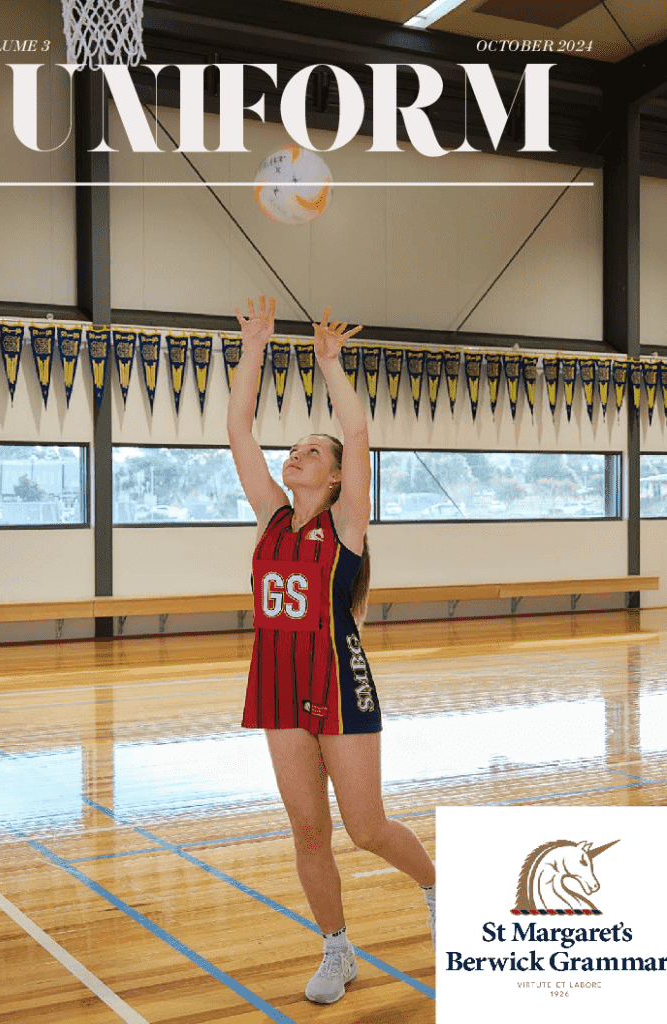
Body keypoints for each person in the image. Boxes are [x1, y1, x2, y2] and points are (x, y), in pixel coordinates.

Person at [227, 295, 436, 1005]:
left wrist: (329, 363)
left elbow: (357, 428)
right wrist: (254, 348)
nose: (296, 454)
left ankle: (438, 888)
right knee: (309, 831)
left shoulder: (347, 525)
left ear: (338, 476)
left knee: (365, 827)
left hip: (339, 682)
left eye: (312, 451)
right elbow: (238, 430)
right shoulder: (271, 517)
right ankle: (337, 949)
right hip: (277, 686)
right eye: (295, 448)